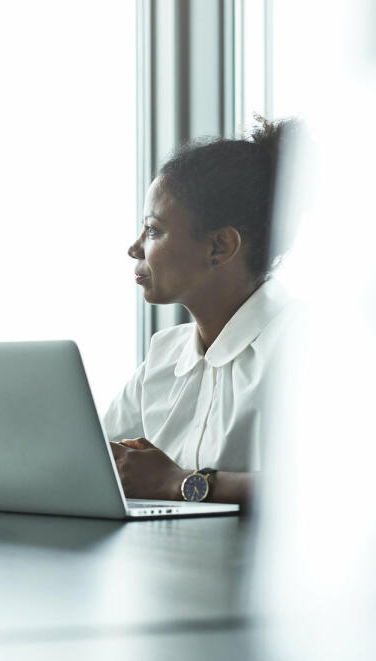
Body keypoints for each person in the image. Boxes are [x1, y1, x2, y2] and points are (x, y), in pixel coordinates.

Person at [103, 117, 293, 508]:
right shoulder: (164, 355)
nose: (135, 249)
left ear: (220, 247)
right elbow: (95, 460)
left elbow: (335, 486)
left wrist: (179, 482)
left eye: (153, 230)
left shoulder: (304, 344)